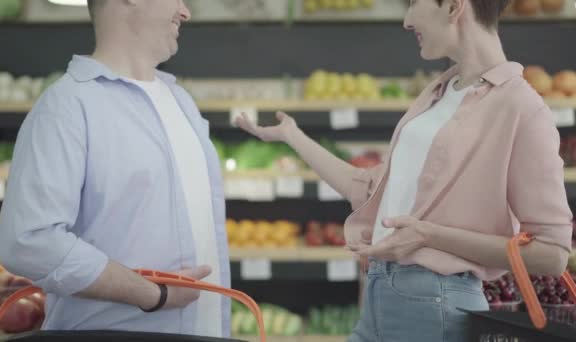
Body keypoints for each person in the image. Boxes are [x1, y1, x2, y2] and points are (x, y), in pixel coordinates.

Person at [235, 0, 573, 340]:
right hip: (379, 297)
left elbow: (552, 255)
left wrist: (428, 236)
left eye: (413, 3)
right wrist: (293, 136)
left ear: (454, 6)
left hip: (436, 305)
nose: (407, 20)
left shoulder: (522, 107)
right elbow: (369, 191)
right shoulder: (438, 93)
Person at [0, 0, 231, 337]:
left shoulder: (181, 102)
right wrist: (154, 295)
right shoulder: (67, 106)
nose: (185, 11)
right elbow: (29, 241)